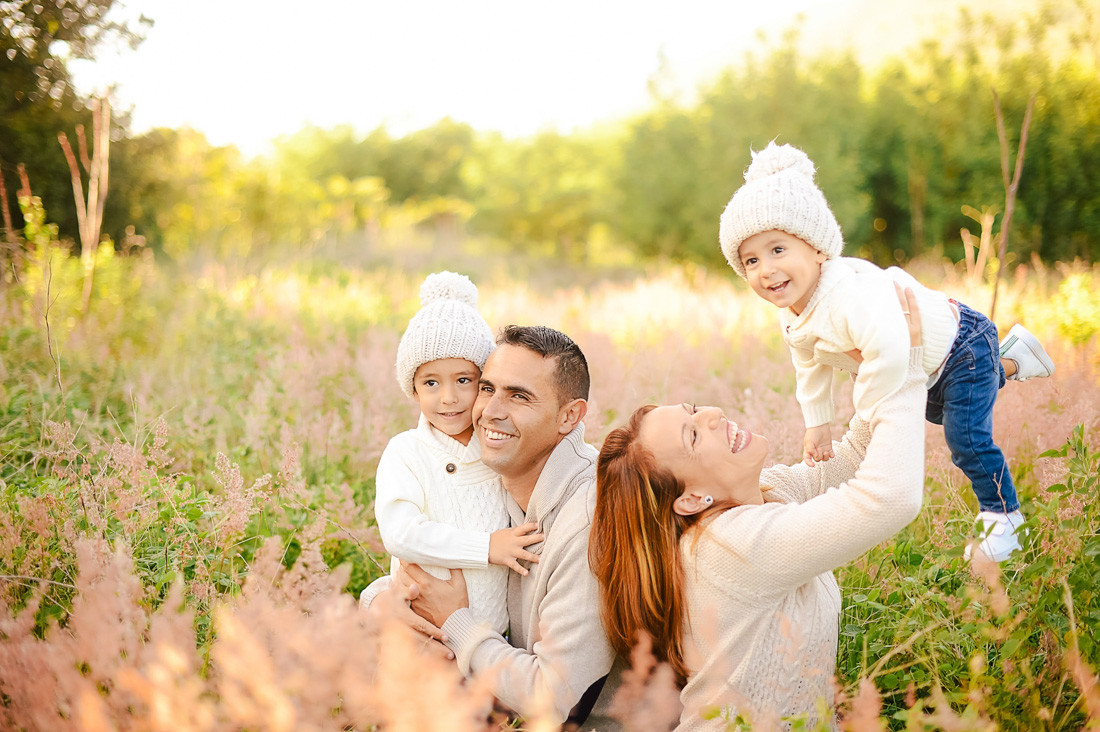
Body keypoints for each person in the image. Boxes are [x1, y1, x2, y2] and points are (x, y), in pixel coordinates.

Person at [589, 289, 926, 730]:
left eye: (693, 410)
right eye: (693, 435)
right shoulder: (729, 547)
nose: (711, 414)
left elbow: (853, 458)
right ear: (689, 500)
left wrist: (881, 365)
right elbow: (890, 499)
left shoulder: (766, 491)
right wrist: (908, 369)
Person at [716, 141, 1054, 562]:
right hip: (931, 365)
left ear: (818, 248)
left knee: (964, 436)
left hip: (960, 342)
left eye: (778, 249)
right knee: (938, 410)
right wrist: (817, 424)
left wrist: (871, 407)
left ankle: (1004, 518)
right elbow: (808, 364)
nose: (765, 269)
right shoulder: (792, 314)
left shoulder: (848, 297)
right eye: (750, 261)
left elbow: (894, 351)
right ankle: (1013, 359)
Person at [361, 325, 621, 730]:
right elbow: (452, 552)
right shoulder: (501, 469)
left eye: (519, 396)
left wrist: (456, 622)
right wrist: (380, 599)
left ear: (569, 416)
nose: (490, 411)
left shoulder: (588, 522)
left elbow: (550, 699)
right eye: (486, 388)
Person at [373, 271, 545, 636]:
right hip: (422, 635)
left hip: (494, 642)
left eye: (463, 380)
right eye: (431, 382)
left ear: (485, 384)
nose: (448, 398)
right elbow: (400, 533)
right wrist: (486, 548)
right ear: (414, 389)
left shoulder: (498, 448)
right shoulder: (407, 452)